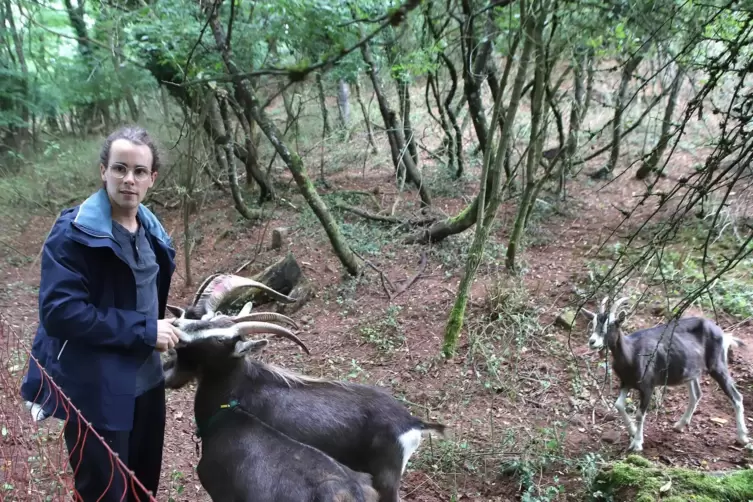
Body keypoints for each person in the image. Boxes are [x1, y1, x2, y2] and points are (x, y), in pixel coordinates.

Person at [19, 125, 182, 501]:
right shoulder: (73, 233)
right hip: (97, 392)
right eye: (120, 168)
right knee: (103, 493)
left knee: (143, 487)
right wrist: (144, 329)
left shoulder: (153, 232)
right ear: (103, 171)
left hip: (148, 385)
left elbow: (141, 298)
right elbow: (60, 312)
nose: (129, 179)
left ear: (152, 179)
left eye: (139, 171)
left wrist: (162, 325)